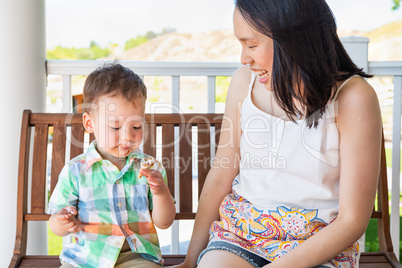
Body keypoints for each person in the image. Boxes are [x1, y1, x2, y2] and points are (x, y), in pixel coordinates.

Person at [178, 0, 382, 267]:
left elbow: (352, 220)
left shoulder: (354, 97)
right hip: (243, 235)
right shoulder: (243, 82)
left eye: (251, 45)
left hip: (318, 245)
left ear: (293, 39)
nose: (244, 58)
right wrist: (191, 260)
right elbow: (221, 175)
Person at [48, 63, 176, 268]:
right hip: (85, 259)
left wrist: (161, 193)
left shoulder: (151, 170)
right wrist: (61, 221)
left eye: (136, 126)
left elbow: (164, 222)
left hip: (137, 258)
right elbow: (56, 225)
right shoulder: (75, 171)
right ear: (89, 123)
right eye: (115, 126)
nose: (128, 136)